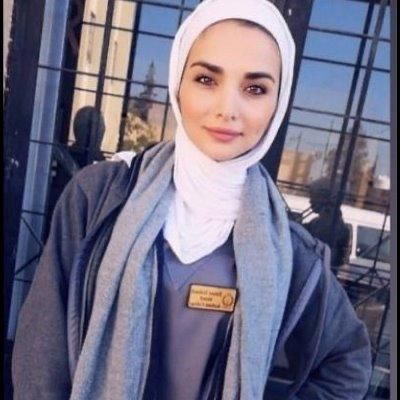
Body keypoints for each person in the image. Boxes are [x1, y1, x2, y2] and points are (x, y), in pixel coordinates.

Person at [12, 1, 372, 399]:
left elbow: (347, 362)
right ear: (178, 83)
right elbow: (40, 355)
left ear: (277, 103)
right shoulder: (99, 198)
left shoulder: (287, 251)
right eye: (206, 79)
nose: (227, 109)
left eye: (255, 88)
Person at [304, 177, 352, 267]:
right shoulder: (316, 222)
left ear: (325, 198)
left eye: (314, 197)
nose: (310, 201)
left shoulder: (330, 225)